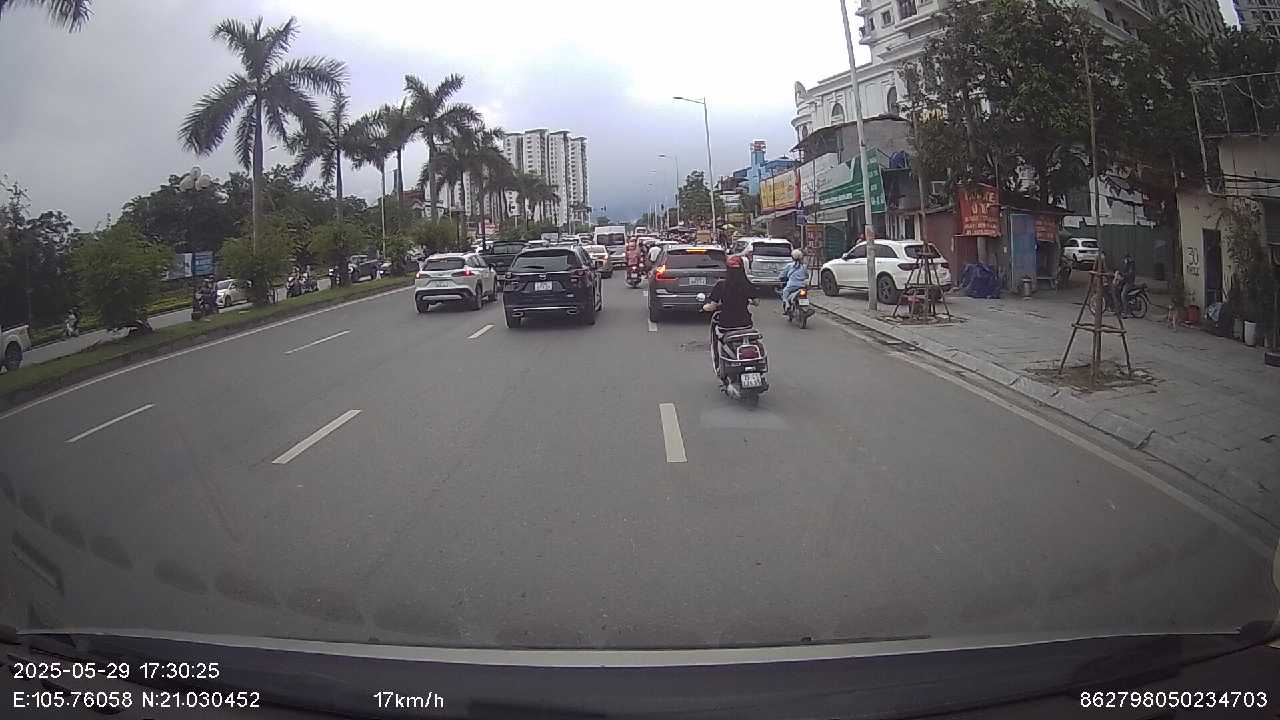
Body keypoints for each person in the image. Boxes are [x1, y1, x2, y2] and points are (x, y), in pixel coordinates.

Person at [703, 255, 753, 329]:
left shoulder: (721, 284)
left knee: (717, 331)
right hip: (745, 323)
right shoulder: (747, 284)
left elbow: (712, 306)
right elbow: (756, 302)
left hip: (726, 324)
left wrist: (705, 307)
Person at [778, 249, 809, 313]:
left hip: (791, 285)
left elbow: (782, 275)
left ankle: (787, 305)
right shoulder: (804, 266)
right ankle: (805, 308)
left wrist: (780, 277)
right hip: (802, 286)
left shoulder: (789, 265)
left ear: (792, 257)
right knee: (804, 295)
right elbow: (807, 276)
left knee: (784, 292)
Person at [1113, 252, 1136, 317]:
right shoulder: (1126, 264)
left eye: (1126, 259)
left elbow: (1130, 274)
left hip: (1129, 283)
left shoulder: (1131, 265)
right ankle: (1119, 309)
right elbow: (1122, 271)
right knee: (1116, 291)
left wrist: (1123, 275)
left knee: (1123, 295)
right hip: (1124, 281)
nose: (1125, 260)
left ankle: (1126, 312)